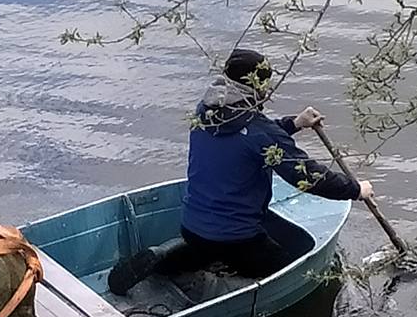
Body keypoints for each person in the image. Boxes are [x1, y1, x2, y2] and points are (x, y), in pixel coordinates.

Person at [107, 46, 373, 294]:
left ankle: (165, 259)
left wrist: (294, 123)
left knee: (205, 248)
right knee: (289, 269)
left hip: (191, 225)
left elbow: (249, 140)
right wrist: (354, 190)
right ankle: (221, 281)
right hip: (238, 239)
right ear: (257, 87)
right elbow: (305, 175)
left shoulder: (204, 111)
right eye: (266, 83)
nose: (268, 89)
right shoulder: (260, 131)